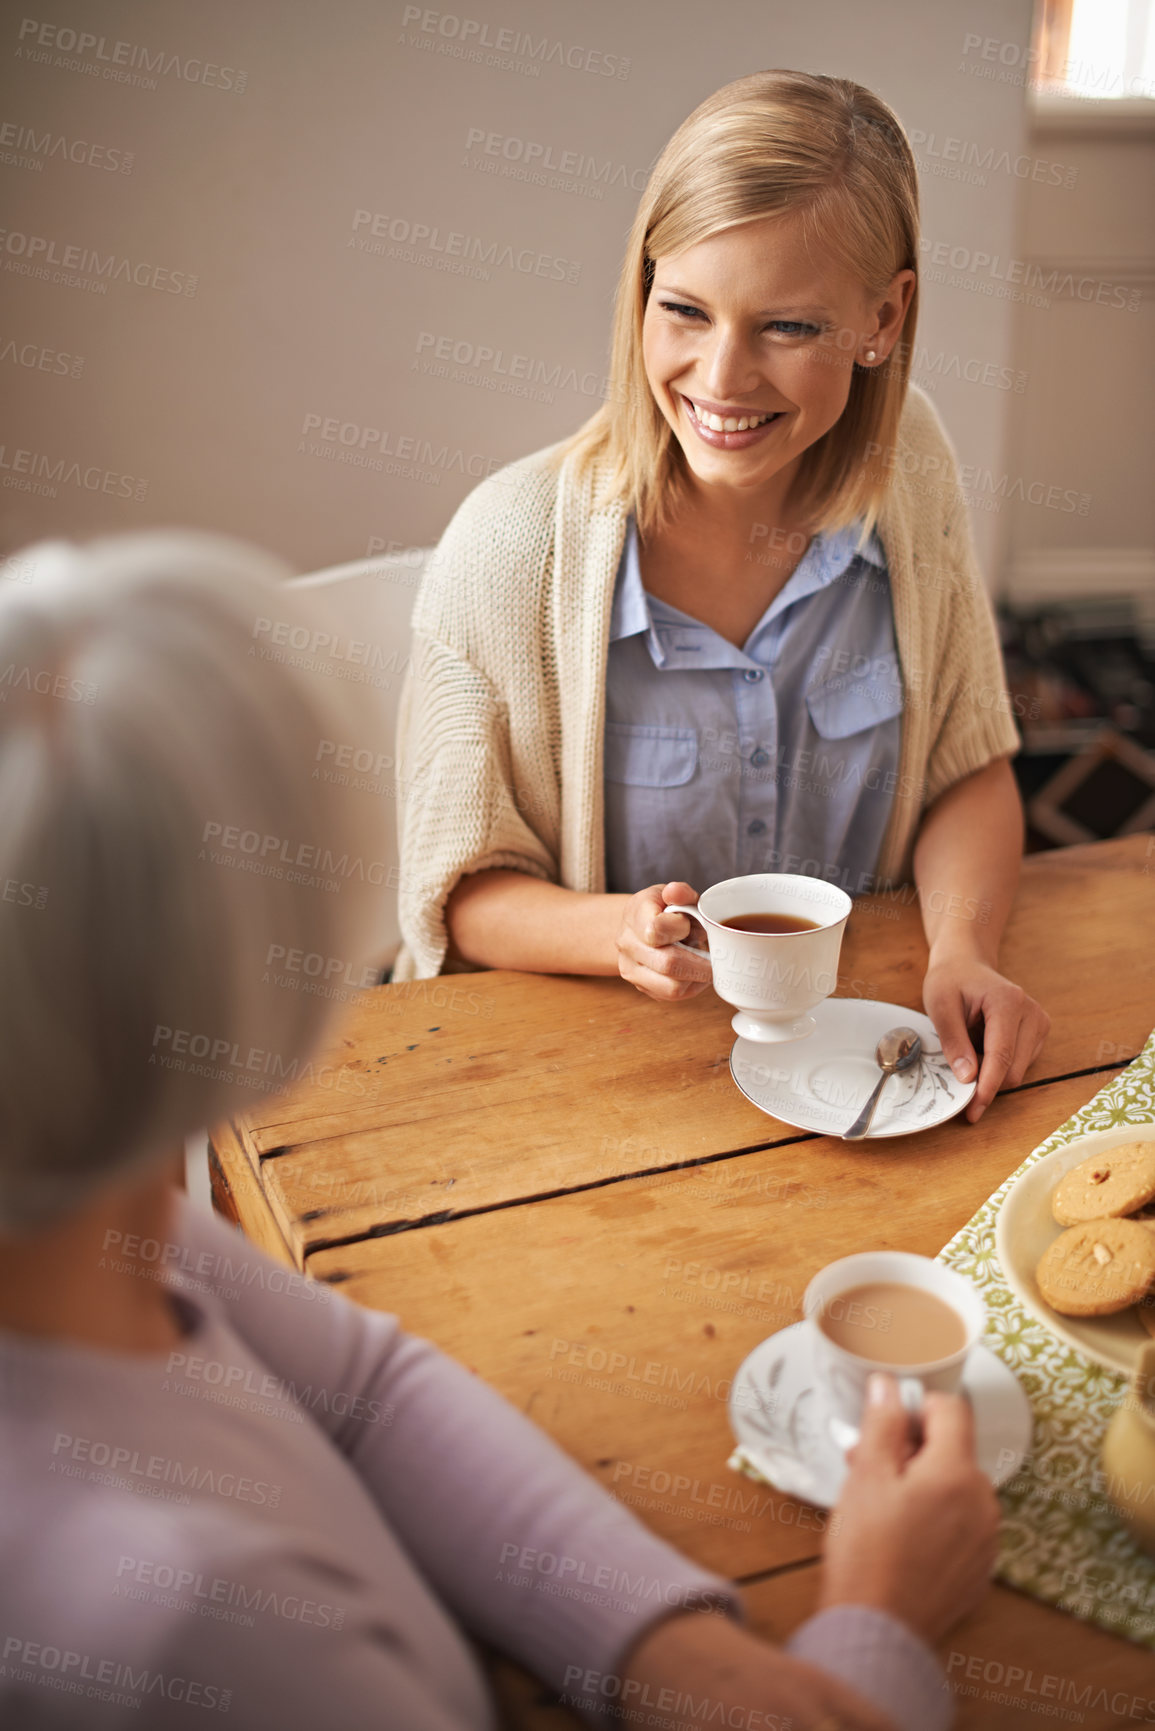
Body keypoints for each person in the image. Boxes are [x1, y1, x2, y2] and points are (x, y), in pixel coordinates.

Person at [0, 531, 999, 1729]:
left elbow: (368, 1388)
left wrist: (667, 1655)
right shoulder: (190, 1624)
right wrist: (877, 1627)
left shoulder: (96, 1219)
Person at [394, 69, 1050, 1123]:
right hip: (590, 1091)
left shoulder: (910, 464)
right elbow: (459, 899)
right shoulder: (509, 545)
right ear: (640, 292)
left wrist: (964, 950)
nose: (721, 377)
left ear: (885, 317)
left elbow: (964, 768)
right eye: (684, 310)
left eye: (787, 327)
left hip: (853, 1068)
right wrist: (613, 934)